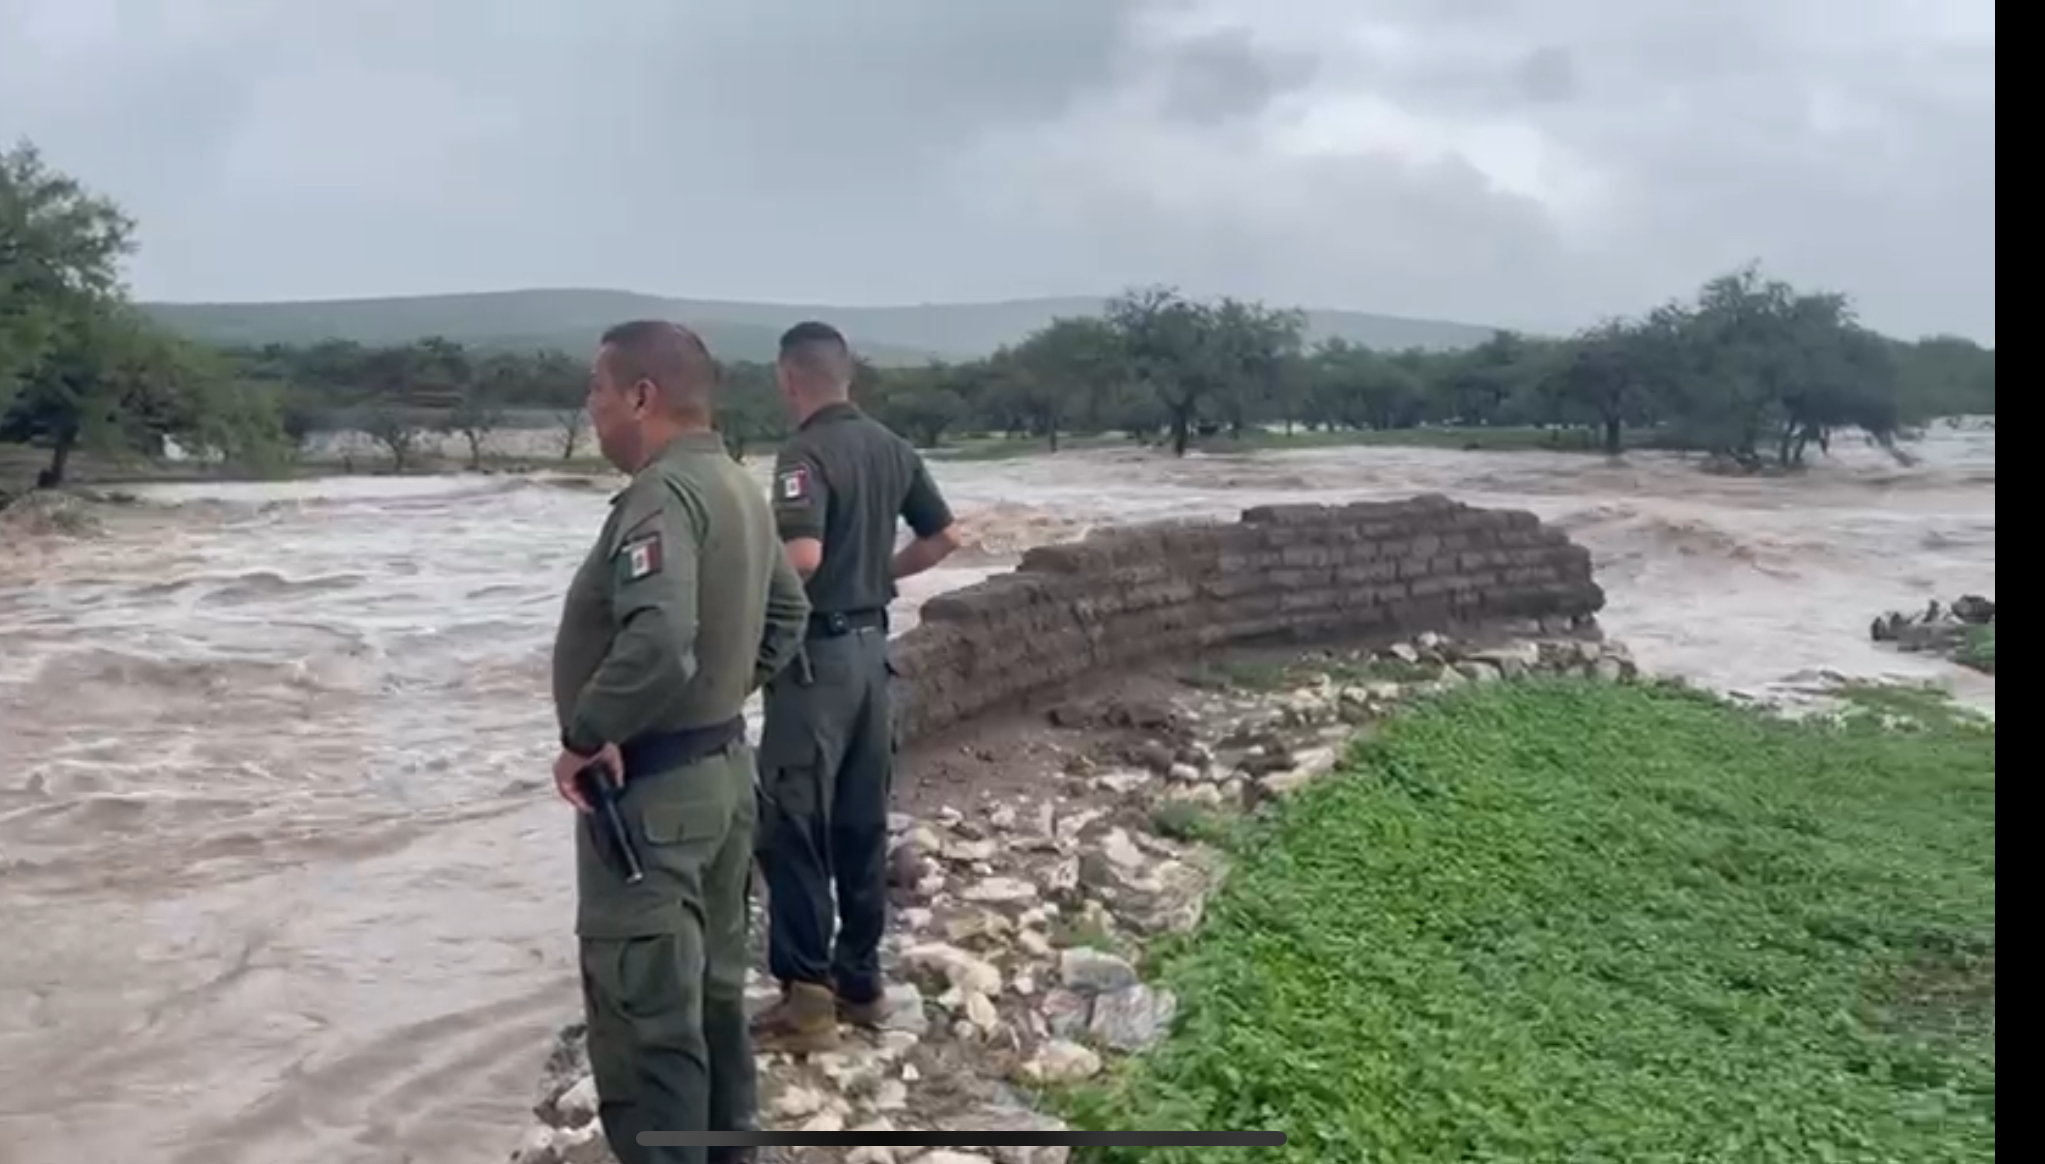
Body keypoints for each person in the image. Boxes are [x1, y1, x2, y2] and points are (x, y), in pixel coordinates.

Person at [548, 319, 810, 1164]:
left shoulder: (663, 495)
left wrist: (593, 733)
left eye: (595, 390)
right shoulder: (736, 484)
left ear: (641, 396)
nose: (590, 409)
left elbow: (658, 639)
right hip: (722, 780)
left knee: (645, 1023)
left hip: (652, 801)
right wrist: (716, 699)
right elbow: (787, 616)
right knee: (714, 1001)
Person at [750, 320, 961, 1054]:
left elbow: (800, 555)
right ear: (851, 377)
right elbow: (943, 539)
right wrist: (878, 576)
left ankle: (806, 1002)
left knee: (793, 825)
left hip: (816, 665)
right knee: (860, 822)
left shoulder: (804, 452)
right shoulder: (892, 448)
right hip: (875, 655)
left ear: (788, 377)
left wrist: (744, 600)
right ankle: (861, 982)